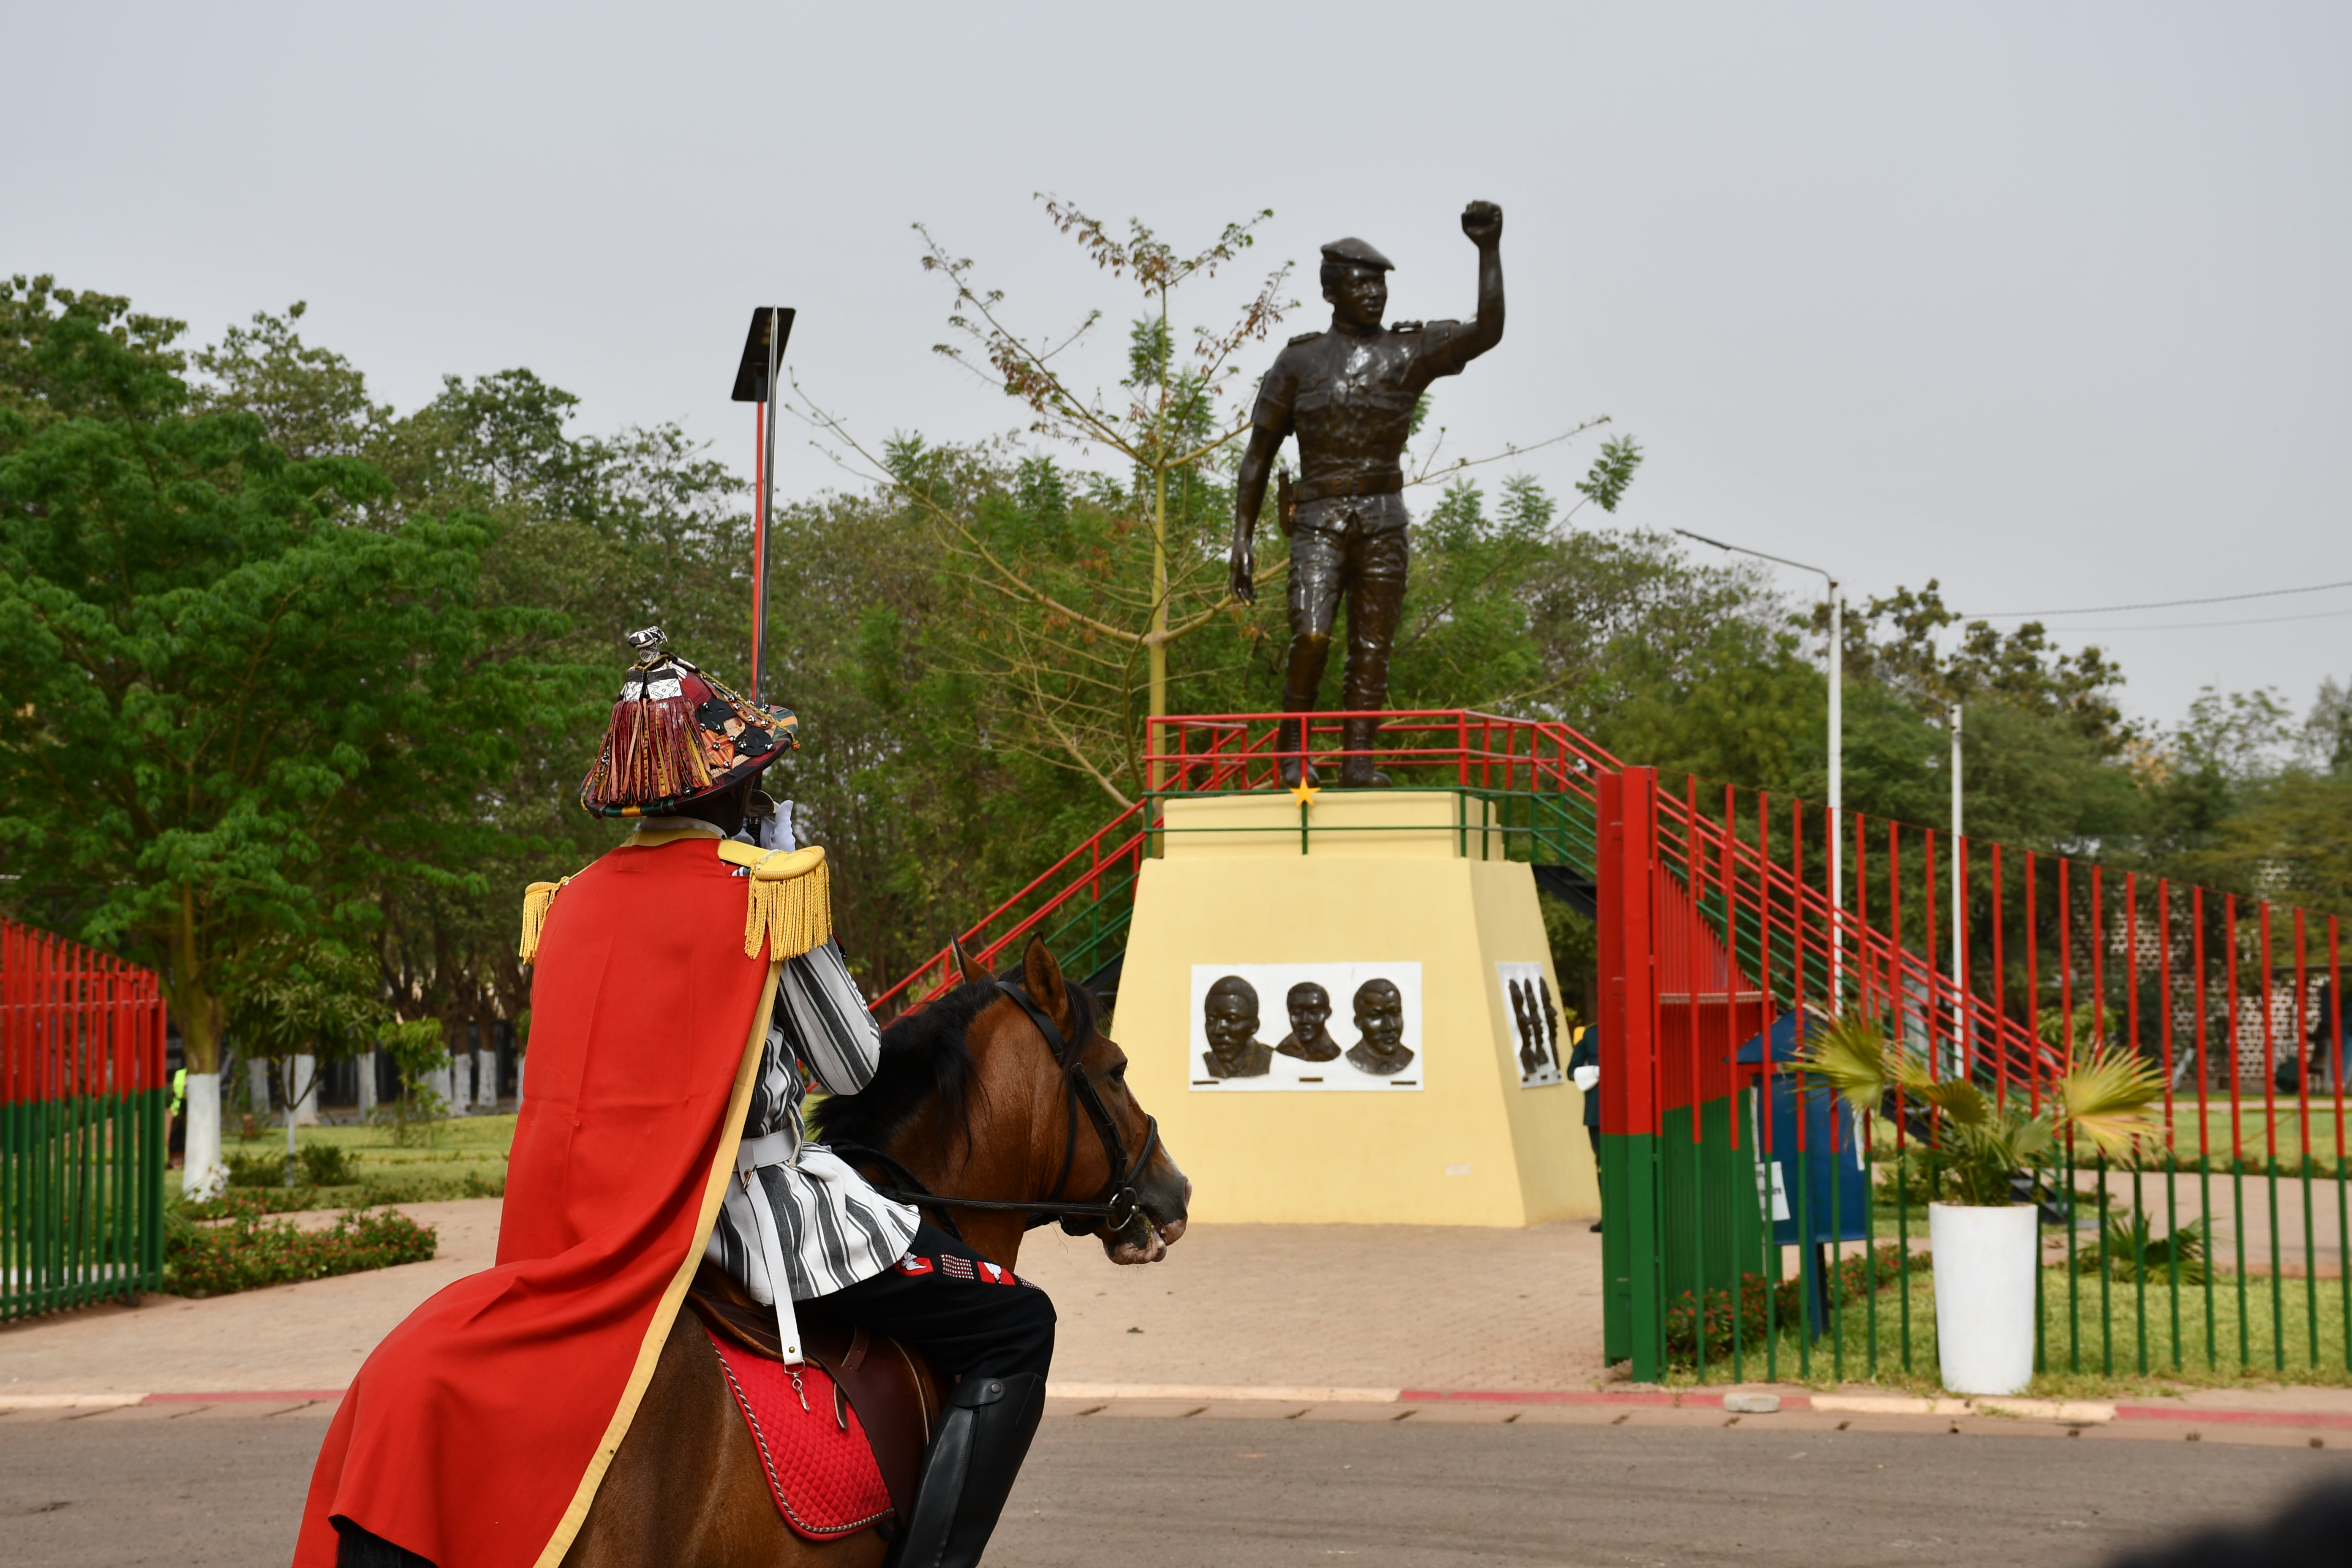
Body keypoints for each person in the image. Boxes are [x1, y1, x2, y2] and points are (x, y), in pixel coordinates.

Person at [297, 628, 1053, 1568]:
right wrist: (794, 899)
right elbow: (853, 1065)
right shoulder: (763, 888)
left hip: (587, 1221)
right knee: (1019, 1324)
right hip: (752, 1214)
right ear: (736, 791)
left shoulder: (563, 902)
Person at [1226, 203, 1506, 786]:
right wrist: (1242, 538)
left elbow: (1488, 331)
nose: (1375, 294)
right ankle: (1293, 751)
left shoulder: (1407, 352)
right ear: (1332, 291)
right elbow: (1258, 456)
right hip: (1319, 518)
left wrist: (1487, 250)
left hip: (1384, 516)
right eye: (1362, 283)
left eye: (1380, 283)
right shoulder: (1297, 362)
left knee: (1373, 645)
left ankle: (1358, 759)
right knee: (1312, 635)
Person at [1202, 975, 1275, 1078]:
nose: (1218, 1031)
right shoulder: (1200, 1065)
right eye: (1211, 1020)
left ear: (1254, 1026)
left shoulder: (1277, 1061)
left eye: (1231, 1019)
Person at [1567, 1024, 1601, 1232]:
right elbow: (1572, 1071)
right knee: (1603, 1164)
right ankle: (1610, 1214)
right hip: (1598, 1112)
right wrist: (1594, 1072)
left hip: (1629, 1111)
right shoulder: (1590, 1034)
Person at [1344, 977, 1414, 1075]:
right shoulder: (1354, 1057)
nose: (1389, 1027)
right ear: (1358, 1022)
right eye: (1376, 1016)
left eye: (1395, 1013)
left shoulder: (1407, 1056)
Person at [1274, 980, 1342, 1062]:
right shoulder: (1283, 1049)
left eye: (1314, 1012)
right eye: (1297, 1013)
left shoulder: (1332, 1051)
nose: (1305, 1020)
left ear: (1327, 1014)